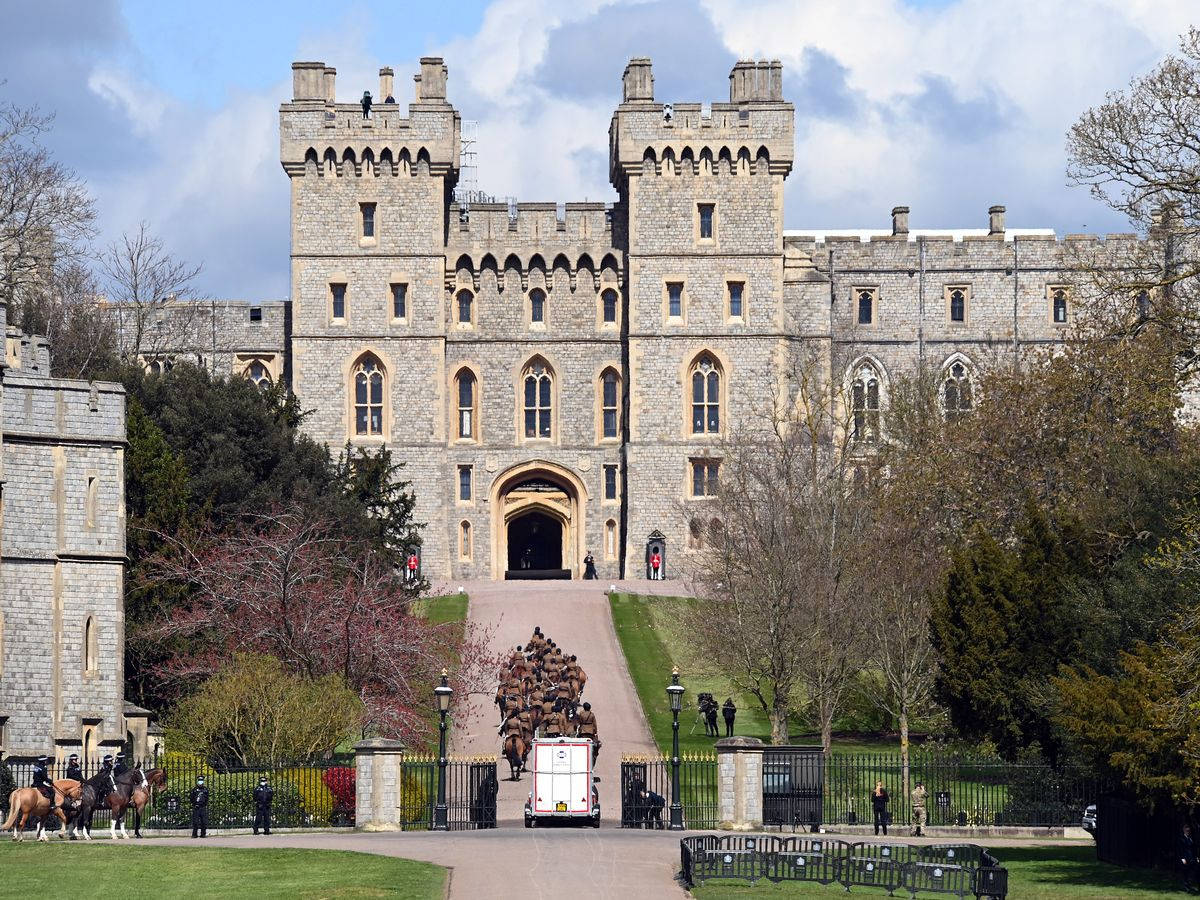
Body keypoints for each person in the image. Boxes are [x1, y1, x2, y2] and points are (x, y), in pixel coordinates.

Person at [1181, 823, 1198, 894]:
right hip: (1185, 858)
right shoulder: (1181, 839)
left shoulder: (1191, 839)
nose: (1188, 832)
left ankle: (1191, 886)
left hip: (1192, 858)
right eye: (1186, 831)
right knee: (1185, 873)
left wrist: (1197, 857)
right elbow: (1180, 849)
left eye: (1189, 831)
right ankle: (1187, 888)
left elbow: (1194, 849)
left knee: (1192, 872)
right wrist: (1182, 858)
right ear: (1184, 831)